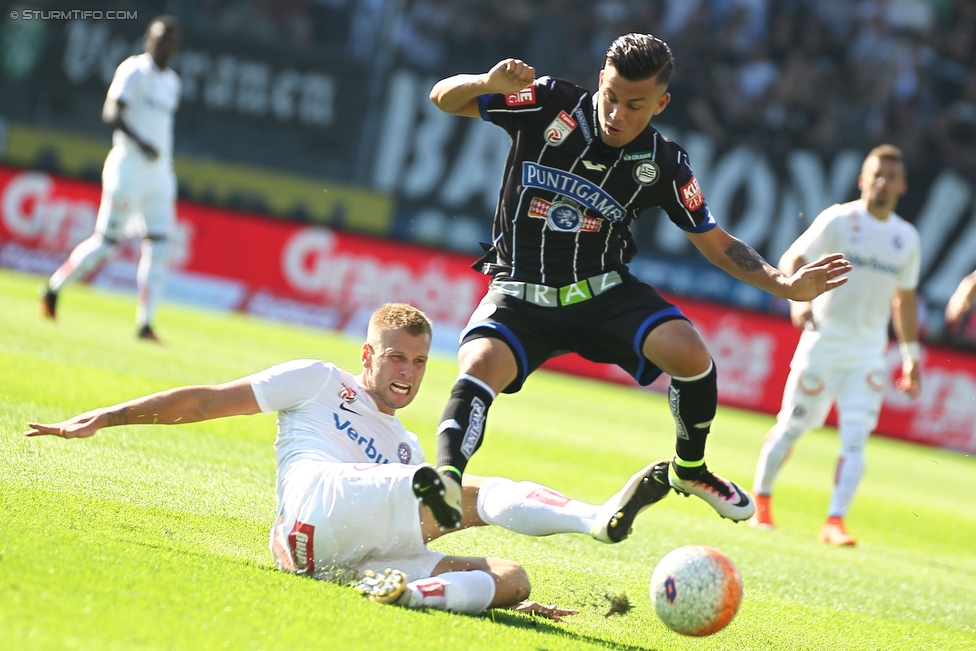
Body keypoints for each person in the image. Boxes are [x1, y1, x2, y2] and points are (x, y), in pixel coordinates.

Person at [424, 33, 852, 529]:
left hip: (602, 292)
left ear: (660, 103)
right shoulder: (546, 103)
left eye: (635, 105)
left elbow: (717, 243)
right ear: (599, 81)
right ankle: (447, 482)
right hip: (521, 292)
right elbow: (443, 98)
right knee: (477, 365)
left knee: (690, 353)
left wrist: (785, 285)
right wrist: (484, 82)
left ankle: (689, 470)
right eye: (610, 97)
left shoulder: (663, 164)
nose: (617, 114)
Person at [26, 303, 672, 618]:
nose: (407, 372)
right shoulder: (317, 380)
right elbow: (203, 402)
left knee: (511, 576)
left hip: (336, 556)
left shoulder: (405, 448)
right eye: (395, 356)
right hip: (315, 502)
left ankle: (414, 592)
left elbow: (438, 507)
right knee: (465, 491)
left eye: (419, 362)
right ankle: (596, 517)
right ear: (366, 355)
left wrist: (504, 603)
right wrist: (108, 416)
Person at [750, 145, 922, 546]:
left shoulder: (906, 238)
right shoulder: (839, 219)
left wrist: (912, 357)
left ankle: (835, 522)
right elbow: (793, 259)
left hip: (867, 355)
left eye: (891, 177)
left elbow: (905, 299)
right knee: (792, 426)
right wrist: (800, 303)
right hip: (822, 343)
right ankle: (761, 503)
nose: (883, 183)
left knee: (856, 438)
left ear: (902, 186)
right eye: (876, 174)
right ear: (863, 179)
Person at [40, 16, 182, 342]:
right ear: (148, 40)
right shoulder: (133, 70)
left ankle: (145, 323)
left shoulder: (173, 82)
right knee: (106, 245)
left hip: (160, 175)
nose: (166, 45)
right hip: (128, 169)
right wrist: (140, 141)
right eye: (161, 39)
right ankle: (53, 288)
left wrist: (155, 149)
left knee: (159, 247)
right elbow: (111, 112)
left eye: (171, 41)